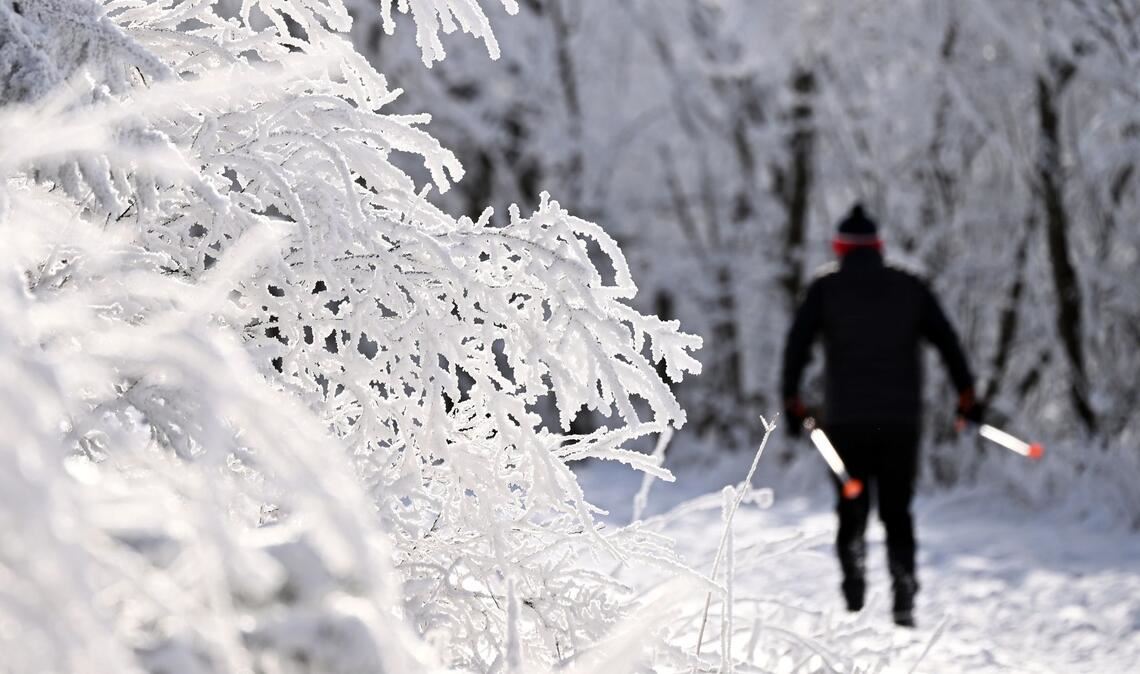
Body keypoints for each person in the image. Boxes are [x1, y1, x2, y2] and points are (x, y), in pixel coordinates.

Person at [780, 204, 982, 627]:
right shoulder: (910, 287)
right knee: (897, 511)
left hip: (846, 422)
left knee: (851, 506)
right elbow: (948, 342)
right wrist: (966, 396)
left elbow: (797, 348)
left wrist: (792, 401)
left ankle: (854, 595)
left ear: (839, 247)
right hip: (899, 423)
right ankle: (903, 594)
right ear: (878, 246)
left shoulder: (825, 289)